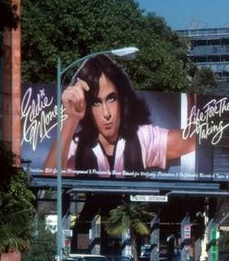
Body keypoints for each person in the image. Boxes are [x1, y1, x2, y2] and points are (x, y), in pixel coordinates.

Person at [43, 54, 196, 178]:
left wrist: (194, 101)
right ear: (87, 106)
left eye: (111, 98)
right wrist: (72, 118)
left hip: (134, 214)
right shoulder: (77, 146)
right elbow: (49, 178)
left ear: (122, 99)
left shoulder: (142, 137)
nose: (106, 114)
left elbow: (193, 140)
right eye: (96, 102)